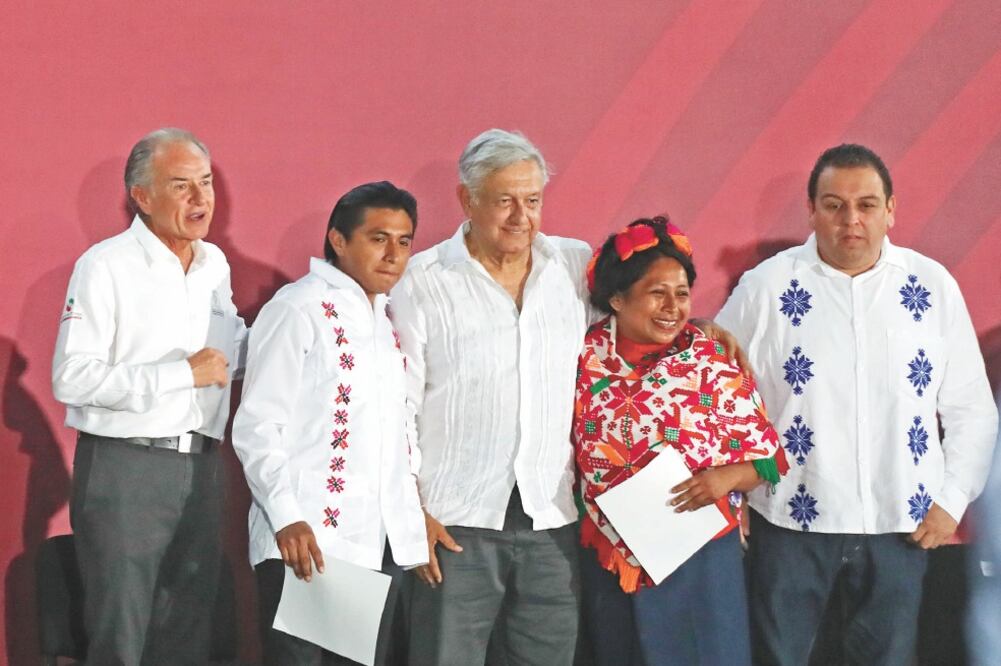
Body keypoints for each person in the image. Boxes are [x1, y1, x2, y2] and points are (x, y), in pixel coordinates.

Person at [715, 143, 998, 665]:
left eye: (867, 205)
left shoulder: (930, 287)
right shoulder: (767, 287)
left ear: (891, 210)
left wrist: (952, 500)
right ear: (811, 210)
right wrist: (732, 493)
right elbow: (714, 393)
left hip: (902, 523)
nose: (851, 219)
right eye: (834, 205)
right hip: (790, 522)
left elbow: (971, 409)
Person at [390, 129, 591, 665]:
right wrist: (414, 511)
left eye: (532, 201)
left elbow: (641, 318)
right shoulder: (421, 281)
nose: (520, 217)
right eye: (504, 201)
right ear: (466, 200)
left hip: (552, 521)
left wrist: (703, 328)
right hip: (454, 526)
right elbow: (396, 405)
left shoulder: (575, 269)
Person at [52, 128, 246, 665]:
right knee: (122, 633)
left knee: (187, 633)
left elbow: (230, 355)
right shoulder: (106, 265)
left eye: (206, 183)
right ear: (142, 196)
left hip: (204, 468)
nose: (201, 199)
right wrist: (178, 375)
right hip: (126, 469)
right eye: (182, 186)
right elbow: (72, 376)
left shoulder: (214, 266)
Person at [574, 217, 787, 665]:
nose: (673, 307)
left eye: (682, 293)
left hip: (700, 558)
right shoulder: (583, 357)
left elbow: (770, 461)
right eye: (657, 293)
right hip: (610, 557)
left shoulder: (711, 360)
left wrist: (725, 479)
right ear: (616, 298)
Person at [231, 181, 428, 665]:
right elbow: (257, 425)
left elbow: (398, 428)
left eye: (404, 242)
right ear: (338, 240)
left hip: (373, 547)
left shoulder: (387, 321)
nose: (393, 255)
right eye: (378, 238)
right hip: (307, 544)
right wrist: (287, 517)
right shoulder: (298, 308)